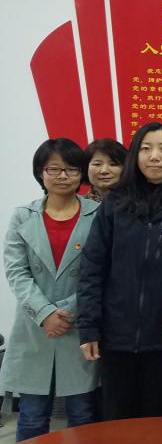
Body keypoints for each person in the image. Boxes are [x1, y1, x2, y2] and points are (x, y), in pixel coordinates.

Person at [76, 122, 162, 419]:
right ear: (135, 155)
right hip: (115, 336)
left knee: (158, 423)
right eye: (146, 149)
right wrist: (89, 327)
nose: (154, 156)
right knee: (116, 422)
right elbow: (92, 267)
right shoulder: (115, 202)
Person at [0, 139, 99, 441]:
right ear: (40, 173)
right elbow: (16, 271)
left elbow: (102, 271)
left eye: (71, 169)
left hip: (78, 325)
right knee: (32, 414)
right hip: (34, 326)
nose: (62, 176)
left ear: (81, 173)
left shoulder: (98, 214)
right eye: (53, 169)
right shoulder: (23, 215)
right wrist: (45, 313)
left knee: (82, 414)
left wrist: (66, 311)